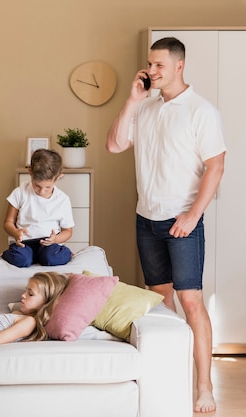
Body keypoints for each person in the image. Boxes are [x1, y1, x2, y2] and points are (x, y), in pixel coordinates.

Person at [106, 37, 226, 414]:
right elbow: (113, 145)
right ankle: (169, 378)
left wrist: (193, 215)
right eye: (149, 65)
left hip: (182, 221)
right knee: (159, 303)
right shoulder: (147, 108)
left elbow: (216, 166)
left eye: (159, 65)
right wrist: (132, 100)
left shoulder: (201, 110)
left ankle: (203, 386)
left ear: (179, 66)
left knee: (191, 302)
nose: (152, 71)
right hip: (147, 218)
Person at [2, 149, 74, 267]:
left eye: (48, 187)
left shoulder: (62, 199)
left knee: (52, 257)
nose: (41, 191)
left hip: (48, 244)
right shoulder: (20, 192)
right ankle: (9, 254)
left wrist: (55, 239)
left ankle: (66, 253)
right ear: (30, 172)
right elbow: (8, 222)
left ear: (58, 177)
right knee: (21, 259)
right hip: (25, 243)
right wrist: (15, 232)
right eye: (37, 185)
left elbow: (68, 231)